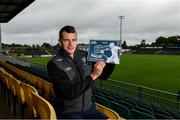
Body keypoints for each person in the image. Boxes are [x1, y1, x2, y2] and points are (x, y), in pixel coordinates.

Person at [47, 25, 114, 119]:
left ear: (77, 40)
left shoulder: (86, 55)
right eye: (66, 40)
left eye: (73, 40)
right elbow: (68, 94)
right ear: (60, 42)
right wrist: (93, 75)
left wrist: (111, 60)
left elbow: (104, 76)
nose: (71, 44)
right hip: (68, 111)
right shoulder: (53, 64)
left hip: (88, 108)